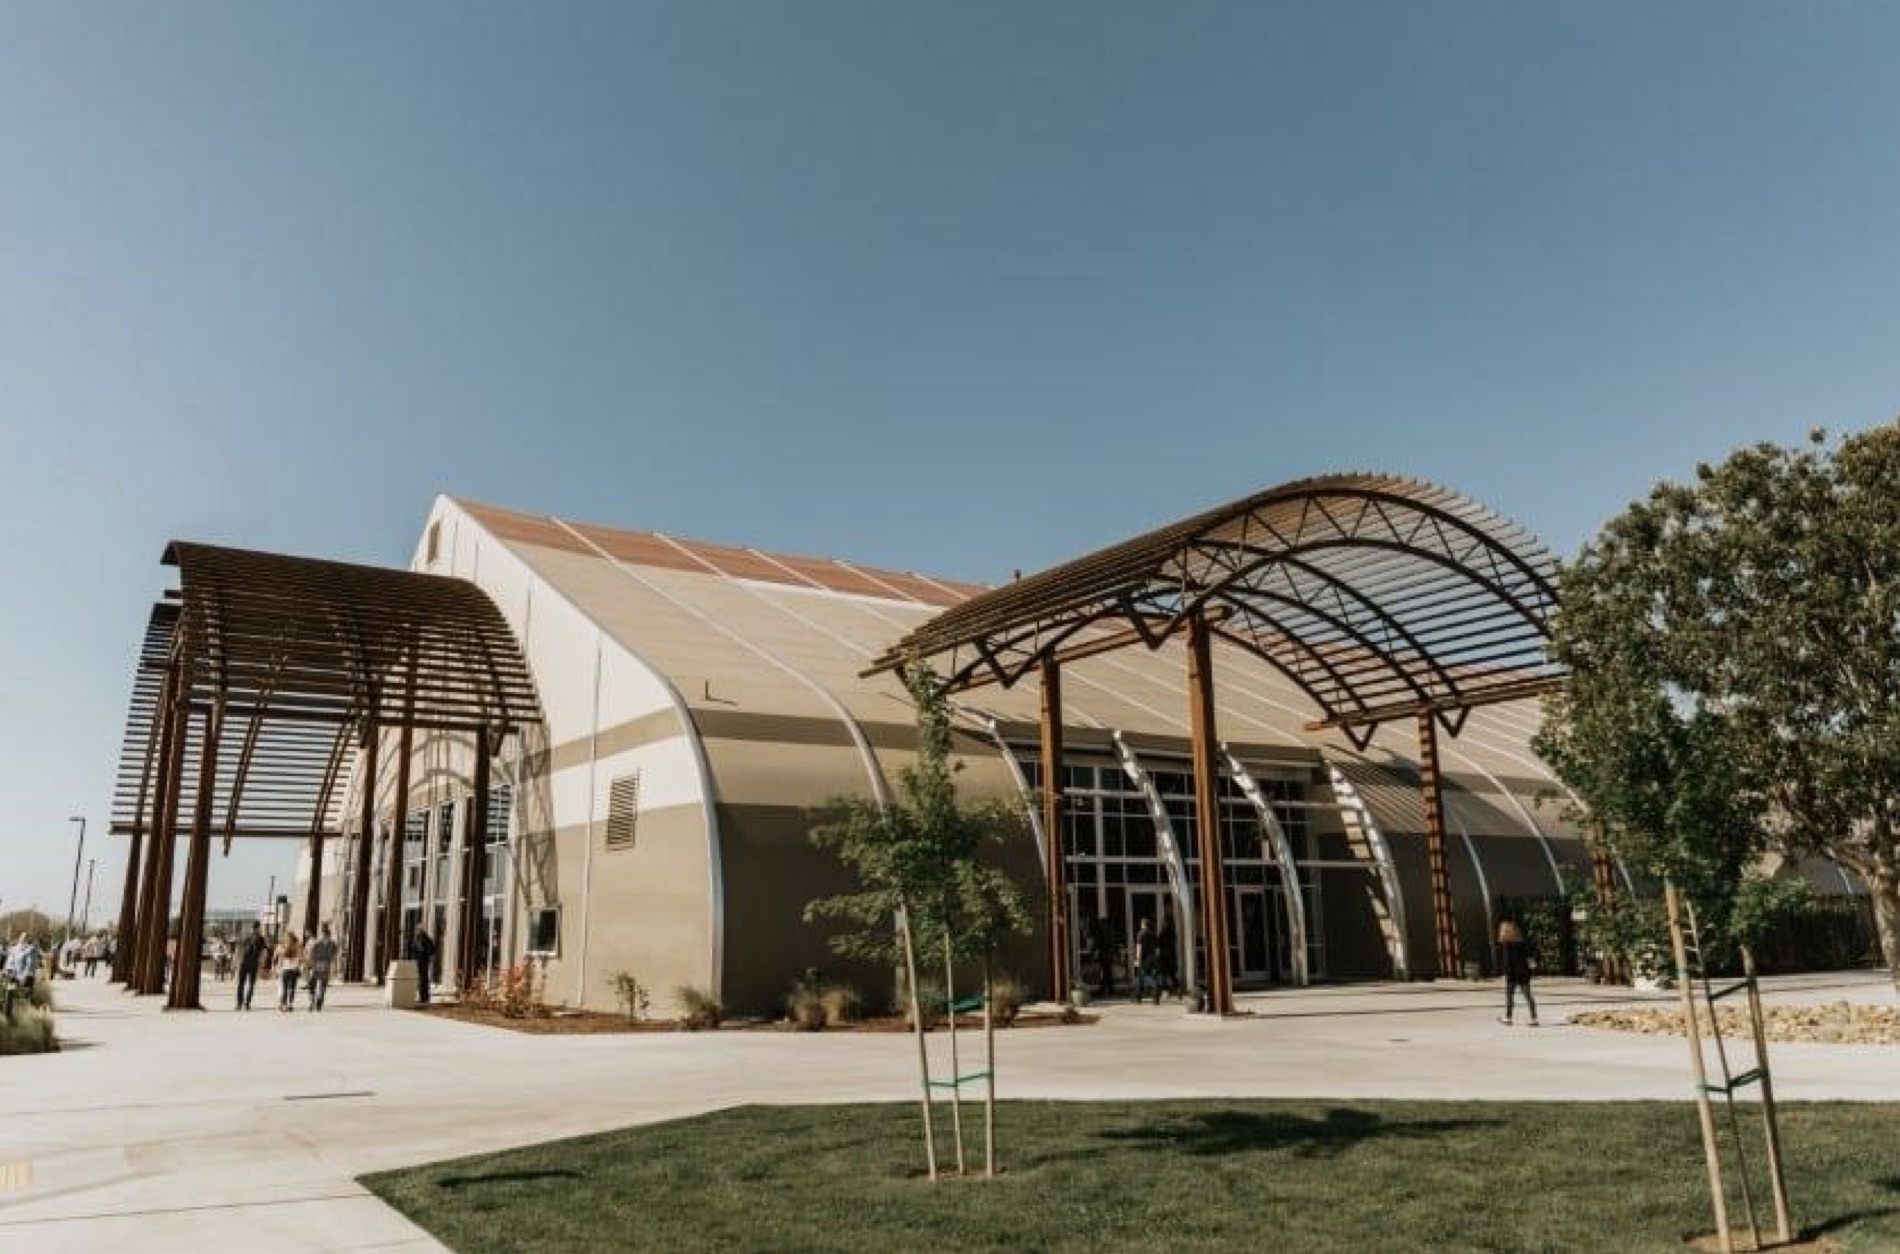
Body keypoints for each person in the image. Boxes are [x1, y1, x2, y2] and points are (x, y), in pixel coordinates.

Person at [1497, 919, 1540, 1027]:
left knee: (1510, 995)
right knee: (1528, 995)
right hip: (1523, 973)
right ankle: (1534, 1018)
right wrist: (1532, 971)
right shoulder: (1523, 943)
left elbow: (1507, 962)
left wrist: (1505, 972)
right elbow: (1531, 959)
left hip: (1512, 974)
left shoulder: (1506, 945)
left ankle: (1508, 1017)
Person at [305, 924, 338, 1012]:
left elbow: (334, 956)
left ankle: (317, 1002)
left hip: (322, 966)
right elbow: (312, 955)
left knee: (320, 986)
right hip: (319, 965)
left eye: (325, 935)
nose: (324, 937)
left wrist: (333, 967)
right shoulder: (321, 944)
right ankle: (314, 1002)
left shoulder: (324, 944)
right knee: (315, 985)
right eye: (324, 936)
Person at [235, 924, 267, 1011]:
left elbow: (239, 949)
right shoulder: (260, 938)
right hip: (253, 964)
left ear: (252, 928)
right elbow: (264, 953)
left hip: (244, 963)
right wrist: (261, 965)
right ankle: (247, 1004)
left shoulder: (246, 936)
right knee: (251, 984)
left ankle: (239, 1004)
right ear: (258, 928)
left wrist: (237, 962)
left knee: (241, 984)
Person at [1132, 918, 1160, 1004]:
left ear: (1143, 924)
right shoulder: (1153, 934)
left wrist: (1137, 959)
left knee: (1140, 978)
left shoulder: (1140, 934)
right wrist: (1156, 958)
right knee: (1154, 978)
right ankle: (1156, 998)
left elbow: (1139, 947)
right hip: (1152, 958)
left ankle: (1138, 998)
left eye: (1141, 923)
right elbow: (1157, 949)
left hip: (1143, 959)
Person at [276, 931, 304, 1012]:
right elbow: (300, 958)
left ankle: (284, 1005)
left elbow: (280, 959)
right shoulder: (298, 947)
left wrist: (278, 969)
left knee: (284, 988)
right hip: (294, 970)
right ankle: (290, 1005)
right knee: (292, 988)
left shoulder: (284, 947)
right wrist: (299, 967)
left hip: (285, 970)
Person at [410, 928, 436, 1005]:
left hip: (423, 962)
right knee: (422, 980)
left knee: (423, 980)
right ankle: (423, 997)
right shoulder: (421, 940)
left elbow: (431, 950)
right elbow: (413, 949)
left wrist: (425, 955)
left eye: (418, 931)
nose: (417, 932)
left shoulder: (424, 940)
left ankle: (424, 998)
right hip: (421, 962)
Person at [1154, 917, 1179, 999]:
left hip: (1164, 957)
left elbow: (1158, 946)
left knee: (1163, 975)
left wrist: (1157, 956)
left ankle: (1166, 992)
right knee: (1172, 974)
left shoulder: (1162, 933)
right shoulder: (1173, 934)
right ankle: (1178, 989)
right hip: (1171, 956)